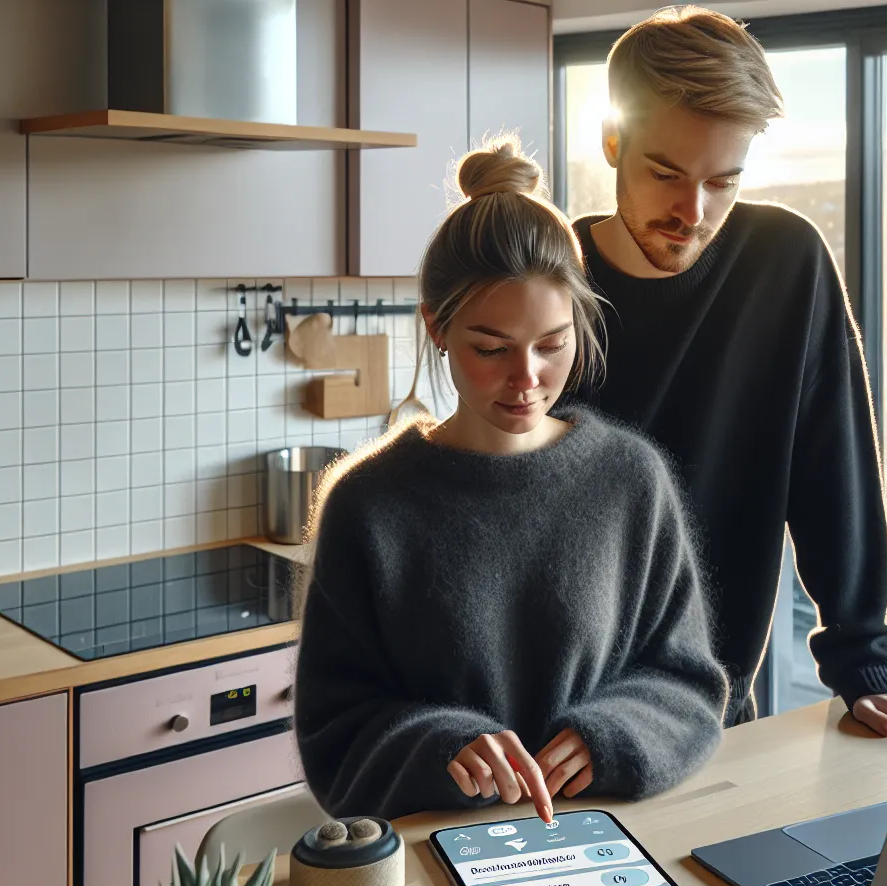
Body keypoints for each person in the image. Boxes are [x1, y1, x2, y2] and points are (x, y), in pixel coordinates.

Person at [567, 6, 887, 750]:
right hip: (551, 714)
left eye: (723, 181)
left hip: (711, 714)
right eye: (665, 173)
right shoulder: (550, 278)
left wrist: (865, 663)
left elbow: (834, 469)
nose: (690, 213)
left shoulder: (784, 260)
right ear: (612, 141)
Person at [292, 138, 731, 825]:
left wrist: (611, 735)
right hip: (433, 858)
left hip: (611, 839)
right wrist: (442, 746)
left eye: (553, 344)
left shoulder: (630, 480)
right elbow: (334, 731)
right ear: (438, 328)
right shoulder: (369, 505)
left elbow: (687, 684)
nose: (526, 379)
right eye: (491, 349)